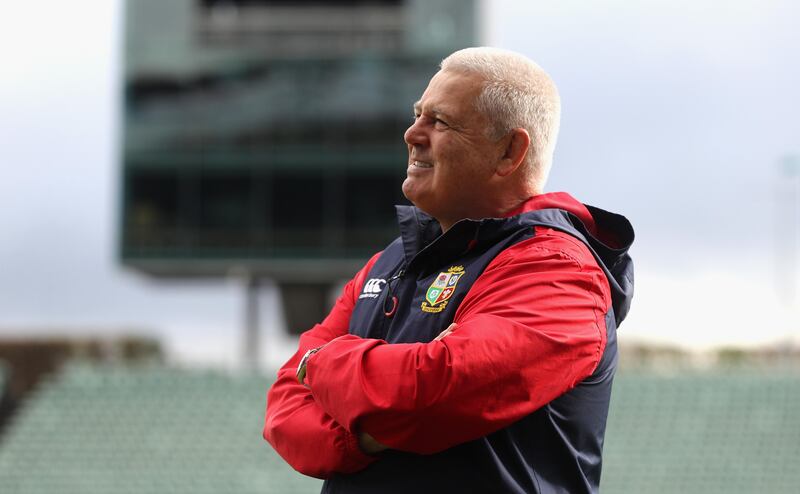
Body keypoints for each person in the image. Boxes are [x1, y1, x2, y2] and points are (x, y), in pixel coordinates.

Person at [263, 47, 634, 494]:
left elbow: (432, 392)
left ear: (509, 151)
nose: (411, 134)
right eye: (418, 115)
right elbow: (285, 412)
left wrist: (321, 363)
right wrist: (366, 435)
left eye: (439, 122)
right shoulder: (390, 261)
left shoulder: (559, 270)